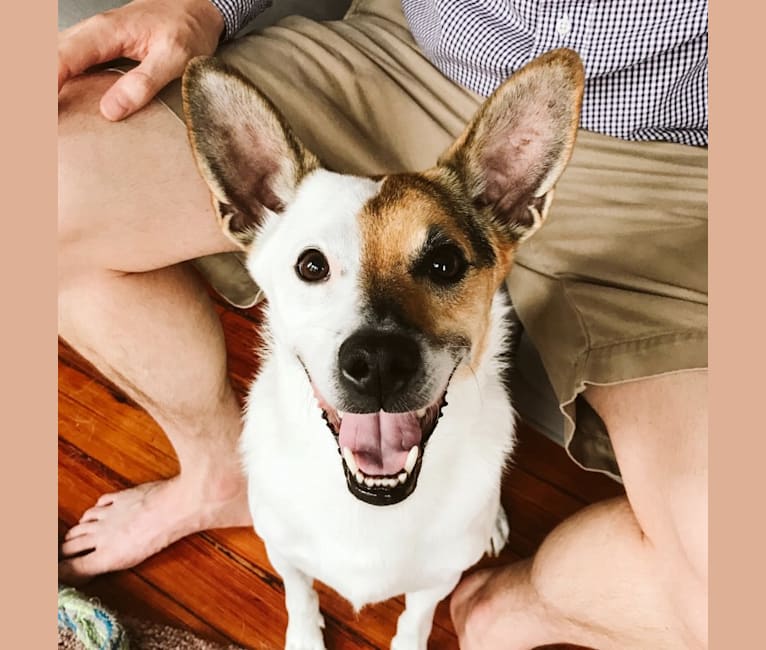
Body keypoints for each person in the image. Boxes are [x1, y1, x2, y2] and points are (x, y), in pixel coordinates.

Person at [57, 1, 708, 648]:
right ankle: (219, 473)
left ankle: (504, 616)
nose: (374, 357)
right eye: (313, 267)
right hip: (408, 56)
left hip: (677, 158)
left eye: (444, 262)